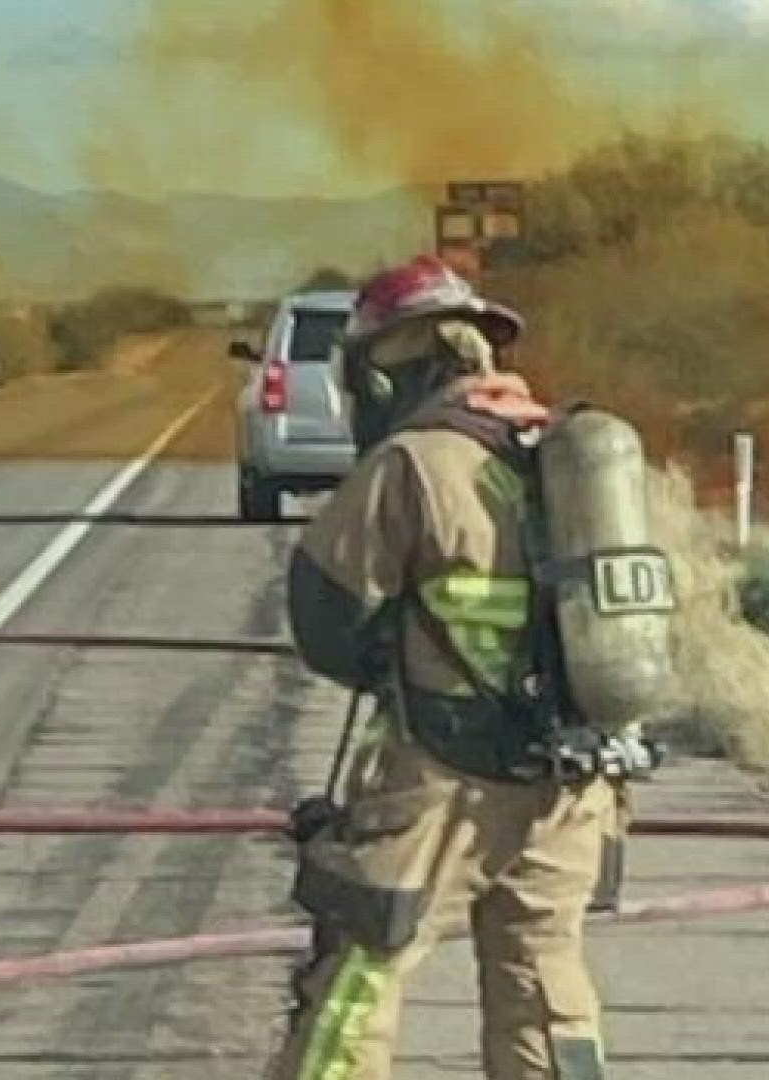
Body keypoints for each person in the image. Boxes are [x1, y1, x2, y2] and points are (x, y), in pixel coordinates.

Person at [268, 254, 621, 1080]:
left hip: (441, 782)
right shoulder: (564, 456)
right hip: (571, 788)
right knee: (546, 988)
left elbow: (326, 618)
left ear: (391, 370)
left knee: (359, 975)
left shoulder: (415, 463)